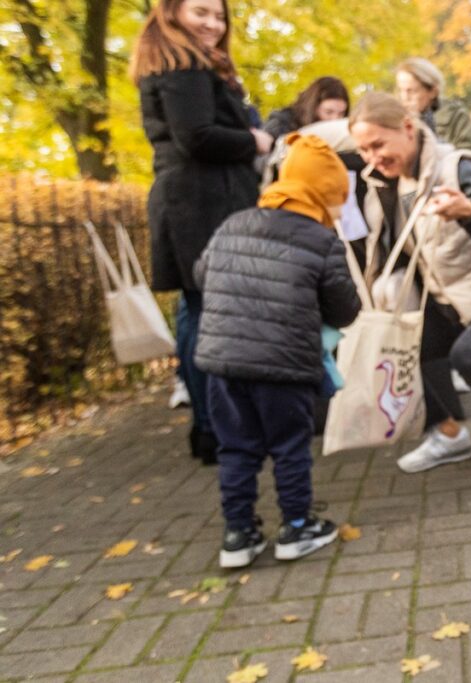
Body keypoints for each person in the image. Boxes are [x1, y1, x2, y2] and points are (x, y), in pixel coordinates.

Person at [193, 133, 361, 568]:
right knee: (289, 446)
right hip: (284, 366)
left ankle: (238, 535)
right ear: (326, 194)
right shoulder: (321, 241)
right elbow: (345, 309)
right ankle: (297, 528)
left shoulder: (233, 223)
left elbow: (200, 275)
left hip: (222, 364)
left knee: (236, 448)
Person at [130, 0, 273, 464]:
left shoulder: (179, 62)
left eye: (218, 15)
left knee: (199, 315)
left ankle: (214, 428)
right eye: (201, 13)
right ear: (171, 13)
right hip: (201, 206)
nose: (213, 23)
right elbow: (197, 137)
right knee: (211, 317)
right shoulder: (184, 64)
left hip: (195, 203)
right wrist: (254, 140)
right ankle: (221, 428)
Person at [348, 93, 471, 473]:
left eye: (377, 144)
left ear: (407, 128)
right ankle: (449, 434)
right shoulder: (382, 185)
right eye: (363, 150)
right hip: (447, 300)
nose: (372, 158)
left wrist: (469, 213)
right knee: (400, 342)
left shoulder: (457, 167)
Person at [395, 58, 471, 158]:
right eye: (401, 90)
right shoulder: (395, 117)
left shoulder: (455, 115)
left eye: (412, 91)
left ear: (433, 92)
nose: (405, 97)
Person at [263, 76, 350, 141]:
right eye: (328, 112)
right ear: (313, 107)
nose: (335, 119)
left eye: (341, 113)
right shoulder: (281, 124)